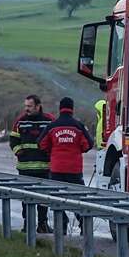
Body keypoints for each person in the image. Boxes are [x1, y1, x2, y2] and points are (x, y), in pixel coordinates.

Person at [38, 97, 94, 234]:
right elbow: (89, 144)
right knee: (78, 198)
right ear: (72, 109)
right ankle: (83, 224)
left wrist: (53, 150)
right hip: (74, 169)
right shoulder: (78, 126)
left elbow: (41, 143)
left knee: (57, 198)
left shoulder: (52, 126)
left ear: (60, 109)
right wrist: (77, 150)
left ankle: (62, 224)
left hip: (56, 169)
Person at [10, 94, 55, 233]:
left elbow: (54, 139)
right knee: (26, 197)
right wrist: (19, 151)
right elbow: (13, 140)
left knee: (43, 197)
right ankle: (27, 224)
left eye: (29, 106)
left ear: (38, 106)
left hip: (44, 167)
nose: (26, 109)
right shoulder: (20, 121)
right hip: (25, 167)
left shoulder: (49, 120)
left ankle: (42, 224)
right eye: (25, 106)